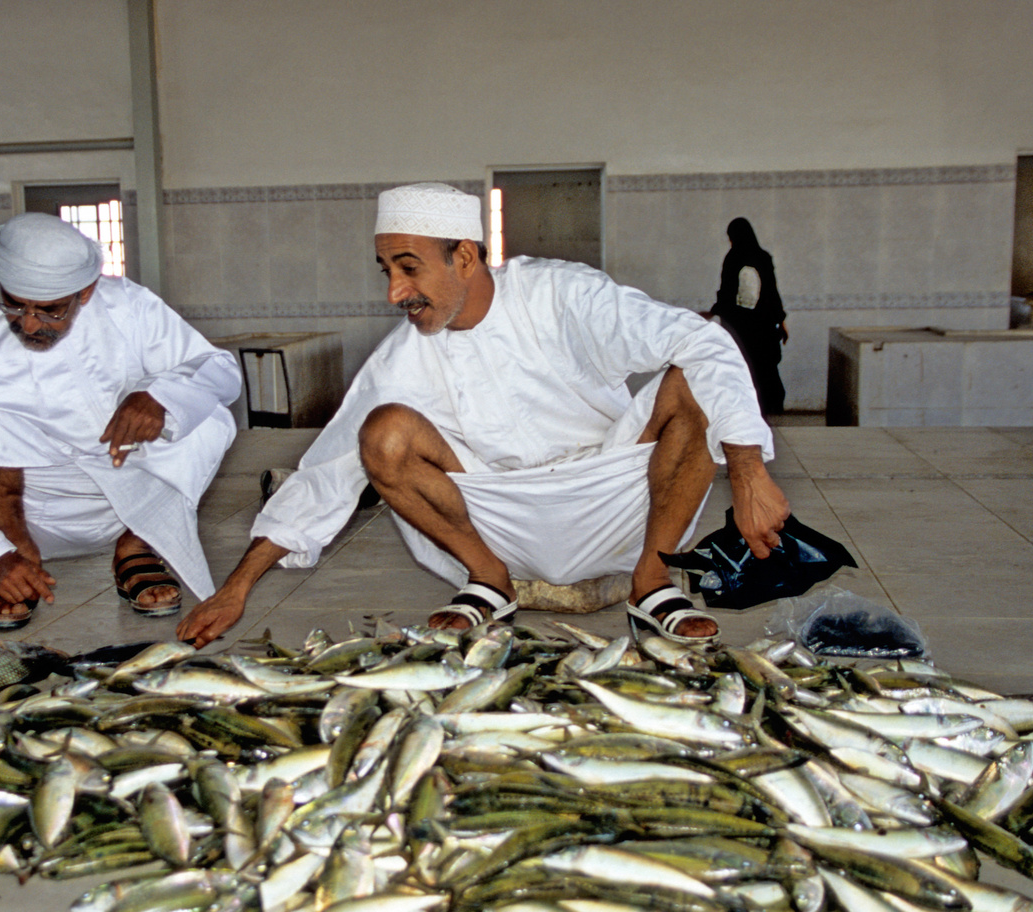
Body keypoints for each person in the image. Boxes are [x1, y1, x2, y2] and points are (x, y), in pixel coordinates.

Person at [177, 182, 789, 648]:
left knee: (689, 378)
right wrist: (238, 588)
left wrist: (749, 473)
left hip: (612, 497)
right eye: (387, 270)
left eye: (408, 267)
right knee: (381, 433)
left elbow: (705, 341)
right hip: (500, 519)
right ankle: (489, 583)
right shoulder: (403, 355)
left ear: (465, 257)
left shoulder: (560, 295)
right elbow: (327, 471)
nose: (395, 291)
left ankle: (651, 583)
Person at [0, 212, 240, 631]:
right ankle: (18, 561)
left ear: (87, 291)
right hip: (35, 509)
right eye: (14, 303)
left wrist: (158, 397)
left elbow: (220, 370)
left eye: (50, 310)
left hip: (134, 491)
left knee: (206, 417)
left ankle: (138, 547)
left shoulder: (130, 307)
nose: (29, 323)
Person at [710, 217, 788, 415]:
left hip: (740, 327)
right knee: (766, 367)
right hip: (763, 326)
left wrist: (716, 311)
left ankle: (746, 410)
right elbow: (772, 292)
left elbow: (727, 291)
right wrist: (780, 321)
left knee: (743, 367)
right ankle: (771, 408)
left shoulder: (733, 258)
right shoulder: (763, 257)